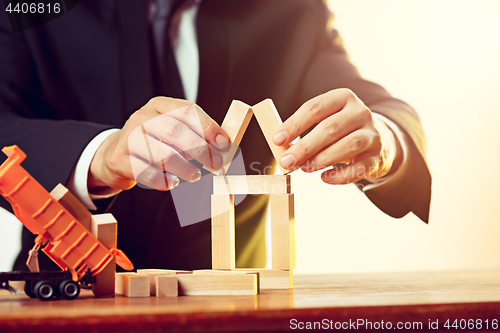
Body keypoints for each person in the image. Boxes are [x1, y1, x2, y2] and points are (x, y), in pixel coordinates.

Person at [0, 0, 431, 271]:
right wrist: (102, 155)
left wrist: (385, 143)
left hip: (241, 310)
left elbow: (377, 111)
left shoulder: (288, 11)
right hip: (64, 301)